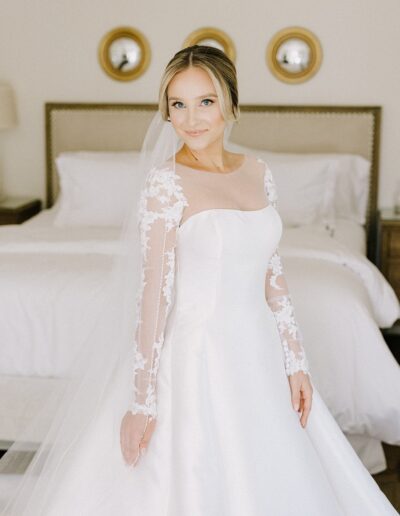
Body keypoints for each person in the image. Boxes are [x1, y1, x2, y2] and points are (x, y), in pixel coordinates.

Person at [1, 45, 397, 515]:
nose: (191, 118)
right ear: (166, 111)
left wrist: (296, 364)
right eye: (178, 104)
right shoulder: (166, 183)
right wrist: (143, 402)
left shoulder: (258, 172)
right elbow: (153, 295)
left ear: (230, 102)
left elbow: (272, 274)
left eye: (205, 101)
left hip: (258, 352)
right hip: (194, 356)